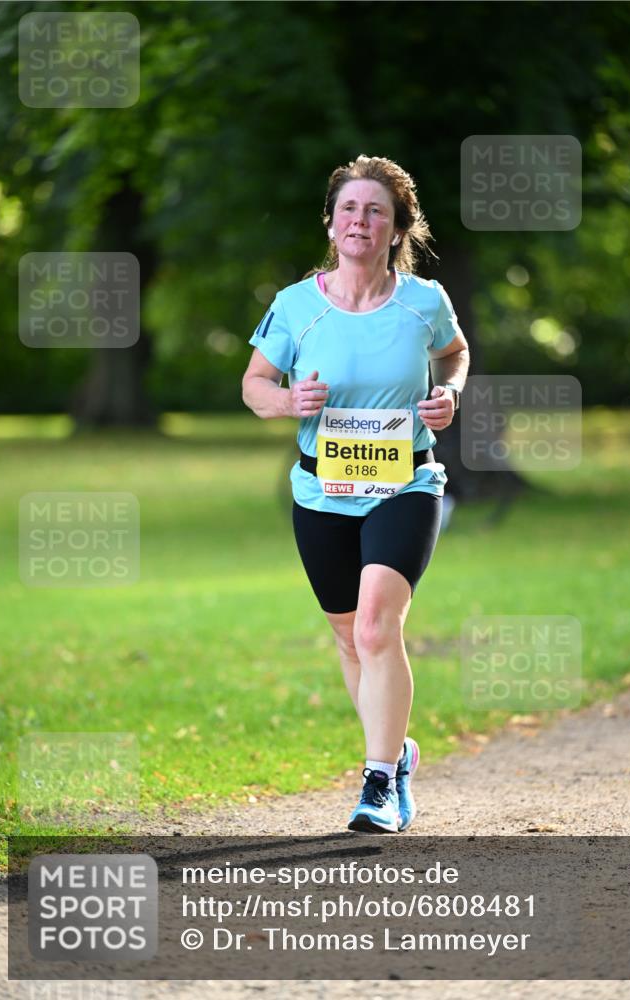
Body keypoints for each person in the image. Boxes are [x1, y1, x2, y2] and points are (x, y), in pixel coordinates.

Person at [242, 154, 469, 833]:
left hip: (404, 481)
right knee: (348, 639)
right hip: (320, 489)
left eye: (375, 210)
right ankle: (395, 755)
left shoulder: (423, 301)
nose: (359, 221)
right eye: (348, 208)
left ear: (397, 225)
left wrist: (448, 394)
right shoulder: (295, 305)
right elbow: (253, 385)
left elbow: (454, 353)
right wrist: (286, 401)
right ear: (331, 220)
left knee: (376, 625)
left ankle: (376, 786)